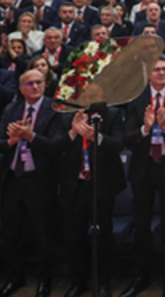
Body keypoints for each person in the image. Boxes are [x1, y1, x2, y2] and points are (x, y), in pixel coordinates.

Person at [120, 57, 165, 297]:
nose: (161, 73)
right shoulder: (137, 97)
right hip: (143, 167)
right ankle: (142, 275)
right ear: (148, 75)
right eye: (156, 70)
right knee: (141, 224)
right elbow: (127, 139)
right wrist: (146, 128)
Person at [0, 69, 61, 297]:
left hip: (39, 181)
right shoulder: (11, 108)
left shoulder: (55, 108)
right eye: (30, 83)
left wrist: (31, 137)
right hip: (12, 180)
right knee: (12, 234)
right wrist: (11, 141)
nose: (36, 87)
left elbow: (56, 147)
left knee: (44, 234)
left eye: (39, 82)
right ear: (21, 88)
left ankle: (44, 280)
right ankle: (15, 278)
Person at [52, 107, 125, 297]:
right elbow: (53, 147)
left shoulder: (111, 115)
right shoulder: (66, 117)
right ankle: (78, 281)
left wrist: (96, 137)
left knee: (103, 236)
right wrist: (73, 132)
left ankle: (103, 281)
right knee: (74, 236)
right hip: (74, 186)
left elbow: (118, 145)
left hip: (102, 185)